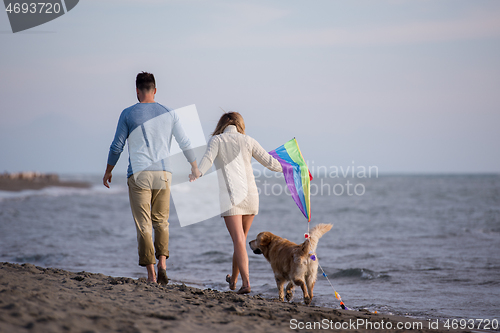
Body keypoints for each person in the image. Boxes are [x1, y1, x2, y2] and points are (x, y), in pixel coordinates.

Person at [103, 72, 200, 284]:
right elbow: (184, 142)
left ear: (137, 91)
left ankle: (151, 274)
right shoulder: (170, 113)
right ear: (155, 90)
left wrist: (109, 170)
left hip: (139, 174)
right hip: (164, 174)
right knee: (162, 222)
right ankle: (163, 263)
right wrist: (194, 165)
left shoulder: (128, 114)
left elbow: (117, 146)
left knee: (144, 224)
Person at [190, 112, 282, 294]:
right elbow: (273, 164)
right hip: (251, 197)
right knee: (239, 241)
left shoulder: (217, 140)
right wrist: (291, 164)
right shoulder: (249, 140)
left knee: (239, 240)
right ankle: (233, 281)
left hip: (231, 197)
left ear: (221, 125)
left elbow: (206, 163)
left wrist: (196, 173)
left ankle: (246, 284)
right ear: (240, 125)